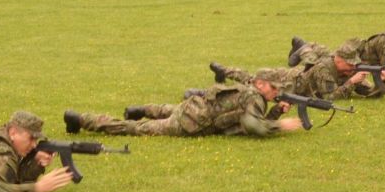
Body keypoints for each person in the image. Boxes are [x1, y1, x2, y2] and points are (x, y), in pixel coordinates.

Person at [63, 72, 303, 137]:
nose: (275, 93)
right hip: (192, 121)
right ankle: (82, 119)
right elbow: (252, 125)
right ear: (260, 84)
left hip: (193, 107)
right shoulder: (254, 97)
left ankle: (140, 109)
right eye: (273, 88)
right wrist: (281, 126)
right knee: (137, 129)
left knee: (166, 109)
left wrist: (275, 112)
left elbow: (250, 119)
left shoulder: (248, 91)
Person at [208, 38, 378, 101]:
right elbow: (330, 96)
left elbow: (368, 91)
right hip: (287, 81)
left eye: (354, 64)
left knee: (253, 78)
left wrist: (382, 81)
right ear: (338, 60)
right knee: (253, 81)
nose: (353, 67)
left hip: (298, 76)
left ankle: (301, 46)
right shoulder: (325, 69)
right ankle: (223, 71)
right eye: (349, 64)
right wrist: (351, 82)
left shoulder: (347, 70)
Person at [288, 20, 385, 69]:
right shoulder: (384, 43)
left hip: (357, 55)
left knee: (327, 54)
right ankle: (305, 49)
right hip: (353, 55)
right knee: (322, 62)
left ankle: (306, 44)